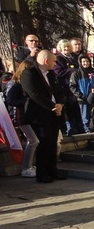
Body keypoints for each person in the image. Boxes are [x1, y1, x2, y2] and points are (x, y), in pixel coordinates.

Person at [20, 50, 66, 183]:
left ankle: (53, 171)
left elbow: (59, 90)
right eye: (54, 61)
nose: (55, 63)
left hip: (54, 113)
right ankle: (43, 173)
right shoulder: (29, 73)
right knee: (44, 144)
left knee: (53, 143)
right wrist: (52, 106)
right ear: (46, 60)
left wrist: (60, 104)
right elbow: (34, 94)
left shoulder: (51, 73)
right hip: (39, 115)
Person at [5, 60, 39, 177]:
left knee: (34, 141)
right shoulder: (16, 84)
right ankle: (26, 167)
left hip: (30, 116)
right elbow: (10, 100)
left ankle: (30, 165)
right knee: (33, 141)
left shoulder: (26, 83)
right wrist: (26, 102)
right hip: (22, 116)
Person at [54, 39, 85, 136]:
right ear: (60, 48)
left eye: (68, 47)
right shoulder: (58, 58)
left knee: (75, 107)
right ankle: (69, 129)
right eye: (64, 47)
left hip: (74, 86)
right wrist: (71, 70)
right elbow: (58, 72)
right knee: (67, 109)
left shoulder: (73, 57)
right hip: (64, 87)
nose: (67, 49)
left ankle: (80, 128)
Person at [70, 56, 94, 133]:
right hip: (83, 98)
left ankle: (93, 126)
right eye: (84, 62)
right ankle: (86, 129)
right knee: (84, 115)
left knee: (93, 113)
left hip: (93, 96)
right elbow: (72, 86)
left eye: (87, 61)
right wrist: (80, 95)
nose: (86, 63)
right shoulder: (76, 73)